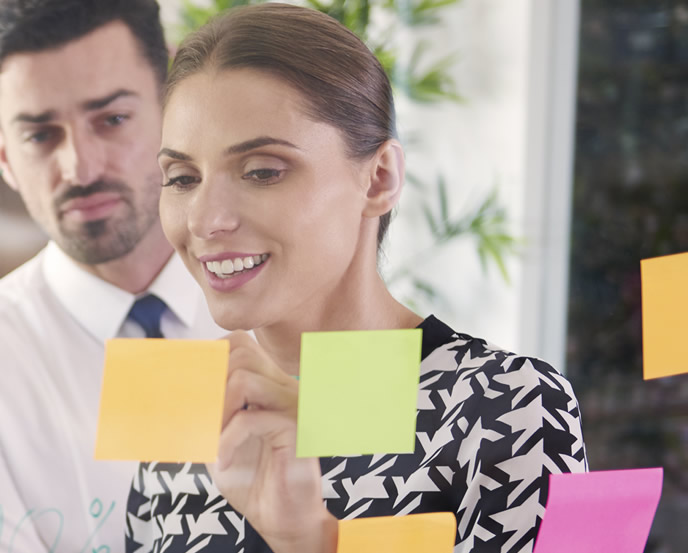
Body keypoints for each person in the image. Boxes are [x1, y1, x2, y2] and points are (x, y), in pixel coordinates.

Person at [127, 4, 589, 552]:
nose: (206, 219)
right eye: (181, 178)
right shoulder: (187, 426)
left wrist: (311, 539)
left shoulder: (501, 407)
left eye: (262, 172)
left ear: (380, 179)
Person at [0, 1, 224, 550]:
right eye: (41, 136)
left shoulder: (303, 315)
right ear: (3, 153)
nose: (82, 167)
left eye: (112, 119)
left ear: (177, 102)